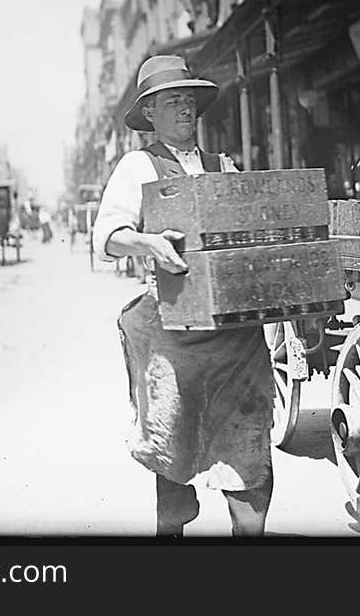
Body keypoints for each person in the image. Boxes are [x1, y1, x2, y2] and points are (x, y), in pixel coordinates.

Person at [93, 55, 274, 537]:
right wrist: (147, 243)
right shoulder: (138, 165)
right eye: (171, 101)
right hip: (177, 333)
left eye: (188, 100)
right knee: (172, 451)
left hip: (238, 335)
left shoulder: (224, 167)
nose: (184, 108)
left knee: (249, 451)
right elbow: (106, 236)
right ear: (149, 113)